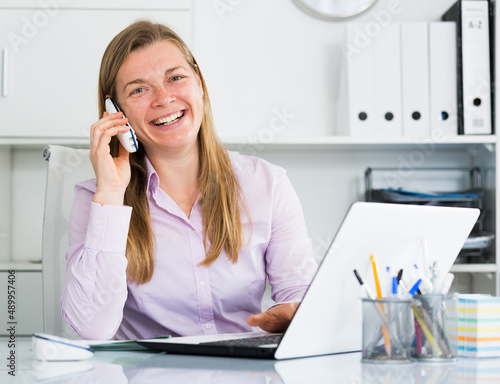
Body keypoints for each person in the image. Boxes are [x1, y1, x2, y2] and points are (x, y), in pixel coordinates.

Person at [61, 20, 317, 340]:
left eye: (176, 78)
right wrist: (112, 193)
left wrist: (294, 313)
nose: (164, 99)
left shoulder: (268, 184)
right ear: (116, 111)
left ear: (199, 82)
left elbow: (303, 299)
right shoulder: (95, 200)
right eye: (139, 89)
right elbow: (91, 329)